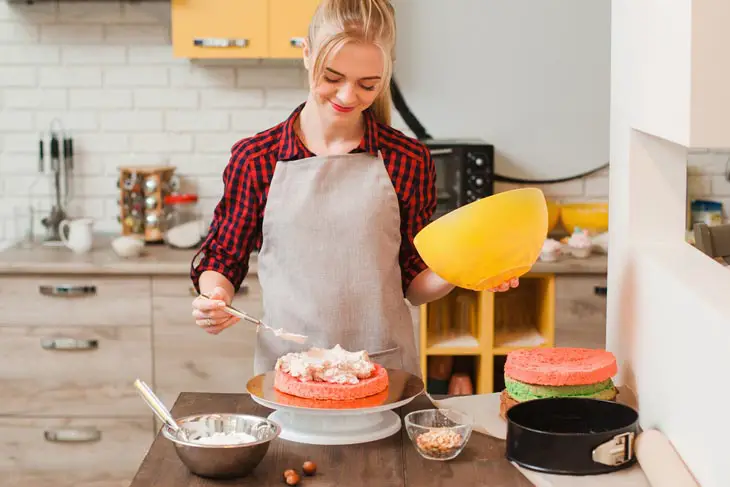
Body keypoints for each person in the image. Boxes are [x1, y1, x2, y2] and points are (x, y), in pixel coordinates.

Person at [190, 0, 518, 377]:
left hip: (382, 371)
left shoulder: (406, 159)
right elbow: (223, 259)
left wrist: (465, 270)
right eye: (332, 77)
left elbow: (413, 282)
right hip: (291, 372)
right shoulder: (256, 158)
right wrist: (215, 297)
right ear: (307, 53)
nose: (348, 97)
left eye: (368, 85)